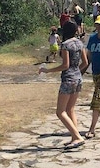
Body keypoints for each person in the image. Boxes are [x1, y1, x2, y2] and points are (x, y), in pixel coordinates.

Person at [38, 21, 88, 149]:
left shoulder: (66, 45)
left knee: (60, 111)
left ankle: (77, 136)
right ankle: (74, 136)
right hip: (78, 78)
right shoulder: (79, 43)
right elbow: (85, 62)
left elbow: (65, 65)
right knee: (70, 109)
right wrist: (78, 71)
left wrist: (48, 70)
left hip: (68, 79)